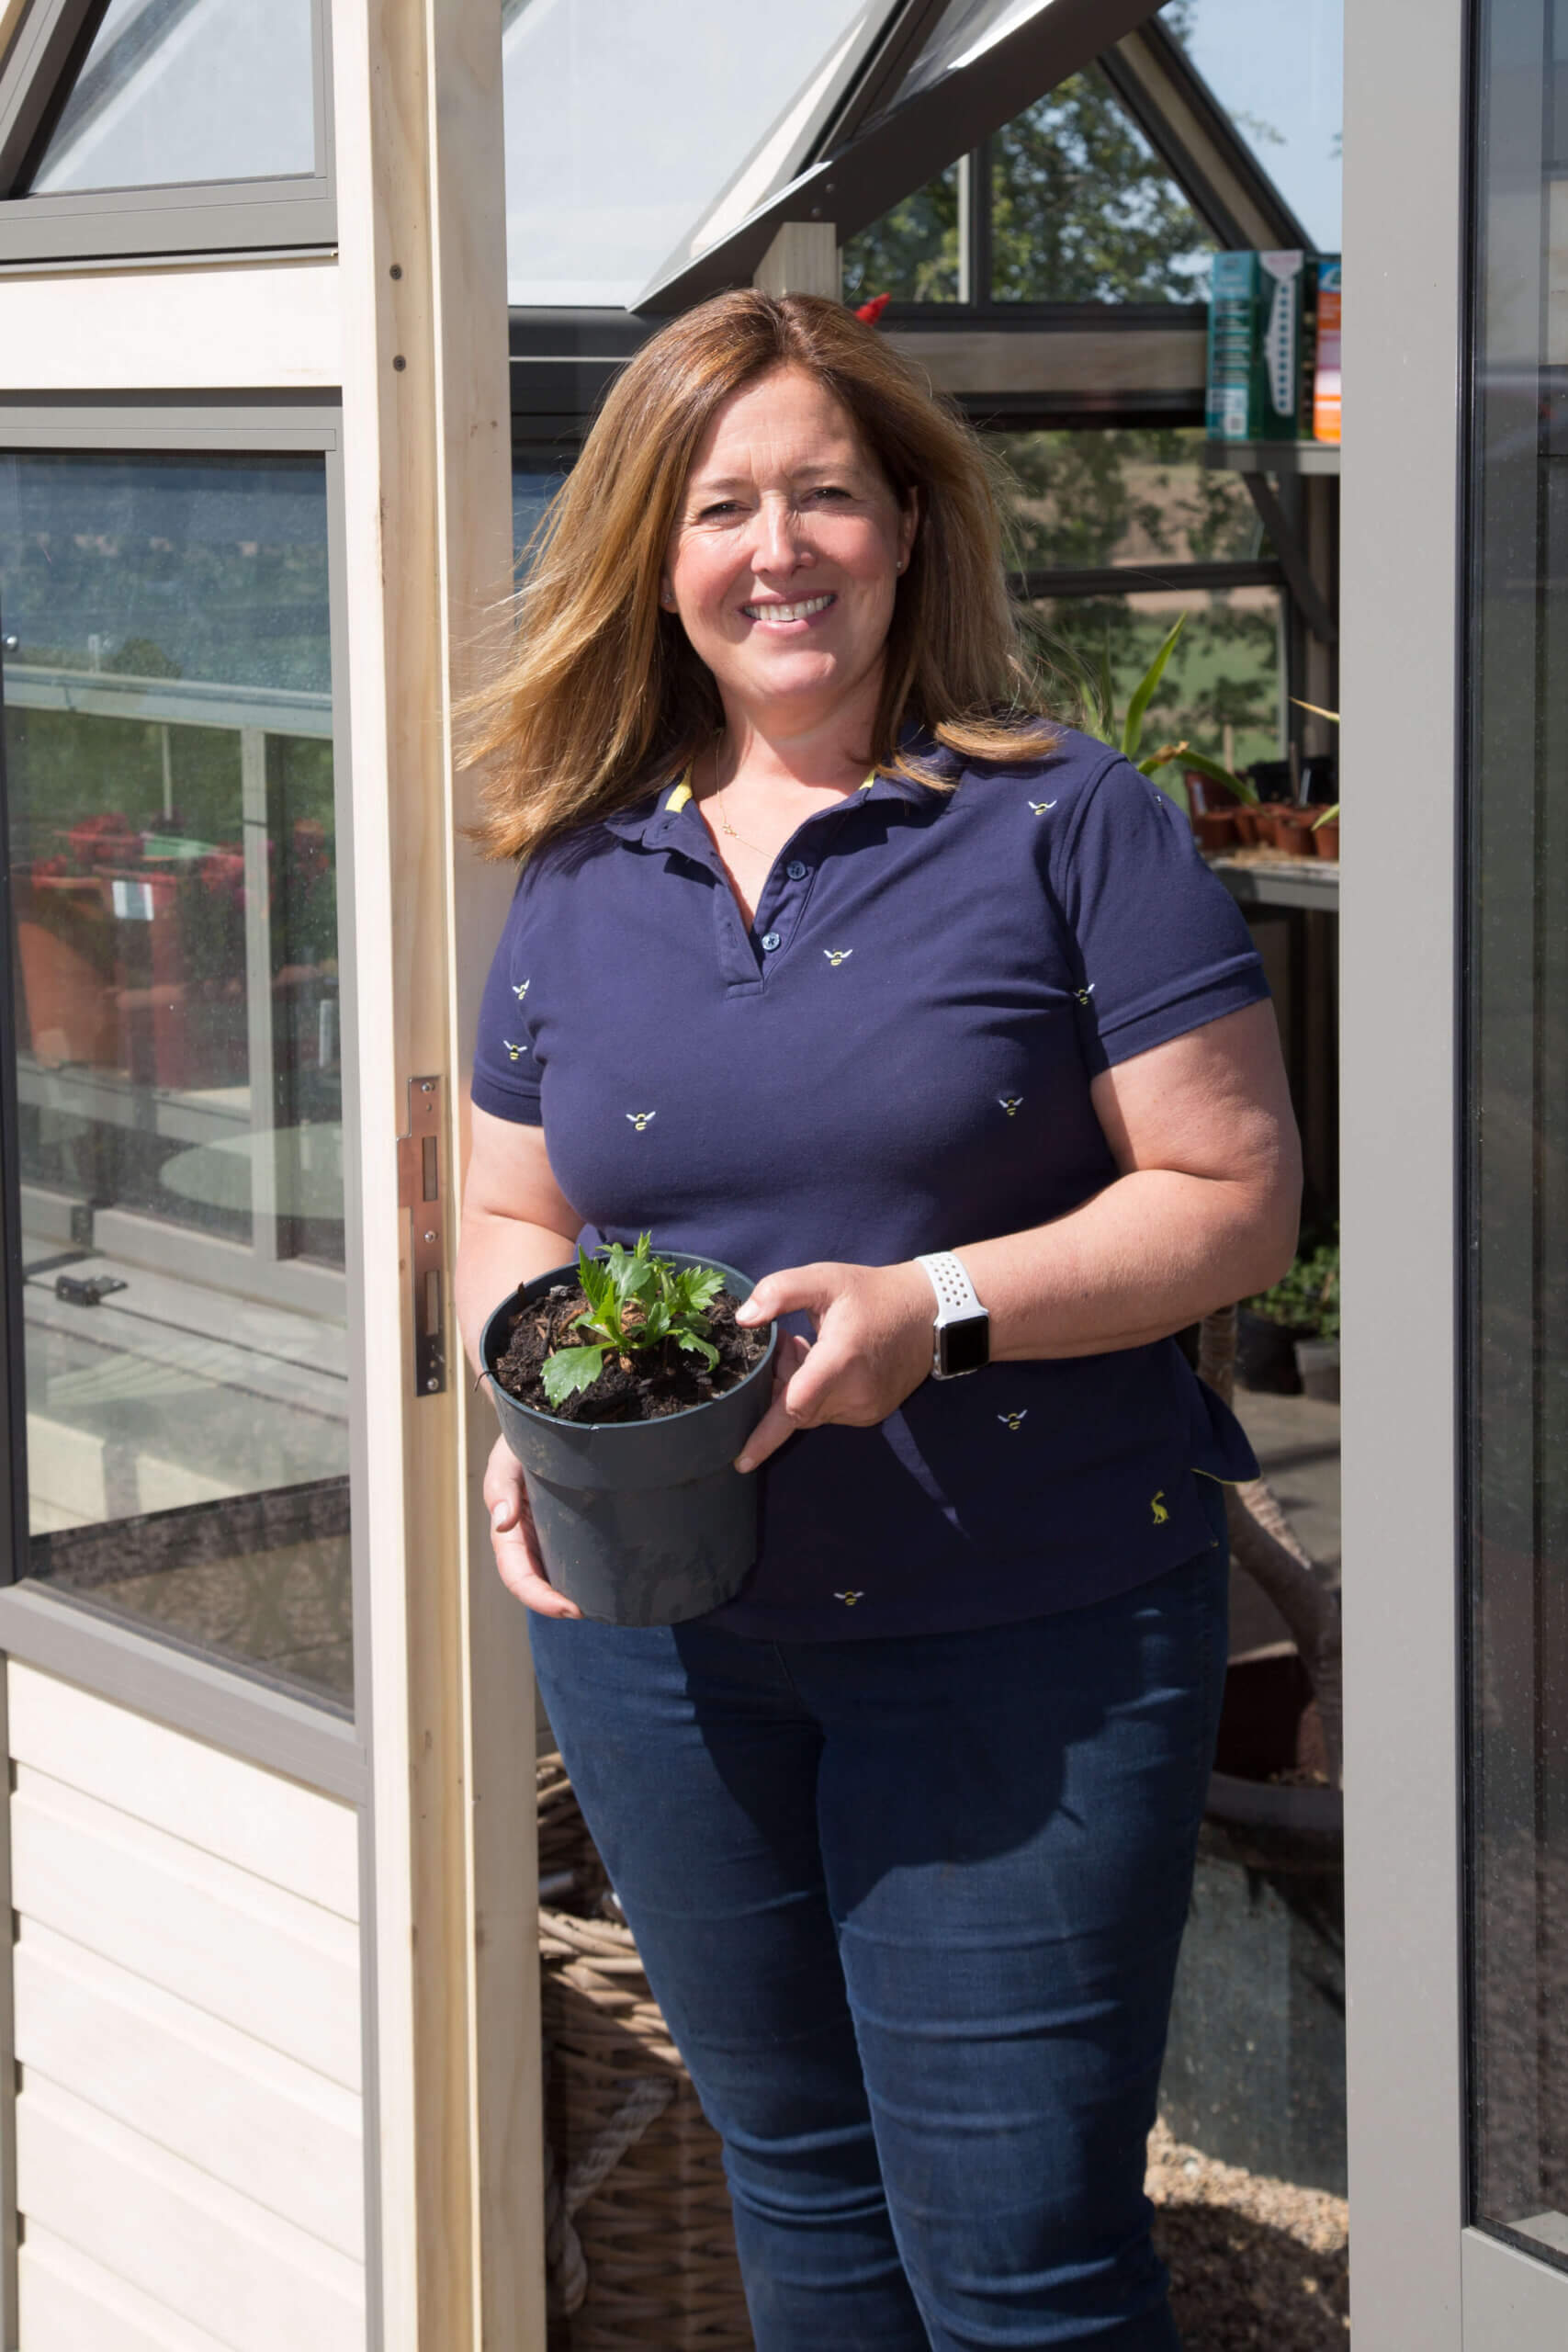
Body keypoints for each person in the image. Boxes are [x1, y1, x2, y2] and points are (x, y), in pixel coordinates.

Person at [455, 289, 1301, 2351]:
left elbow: (1232, 1196)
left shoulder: (1060, 818)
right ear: (656, 556)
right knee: (802, 2200)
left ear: (905, 525)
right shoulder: (582, 868)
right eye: (720, 502)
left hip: (1019, 1627)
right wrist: (533, 1411)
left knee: (1019, 2258)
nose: (776, 547)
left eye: (822, 492)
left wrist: (935, 1303)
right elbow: (505, 1206)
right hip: (664, 1648)